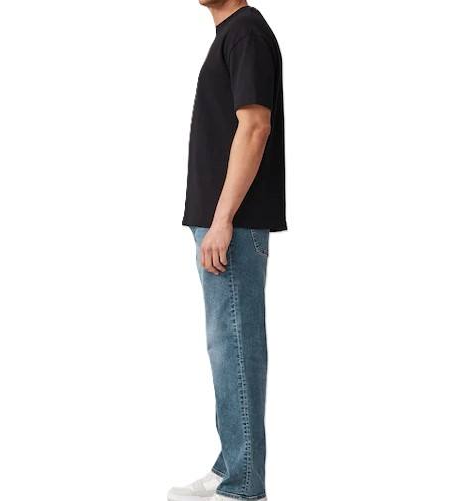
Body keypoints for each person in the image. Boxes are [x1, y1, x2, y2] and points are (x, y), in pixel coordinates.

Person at [169, 1, 286, 500]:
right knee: (227, 349)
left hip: (231, 225)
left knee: (235, 347)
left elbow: (255, 126)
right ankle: (231, 465)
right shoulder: (233, 35)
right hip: (221, 223)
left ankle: (243, 485)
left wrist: (222, 220)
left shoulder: (246, 33)